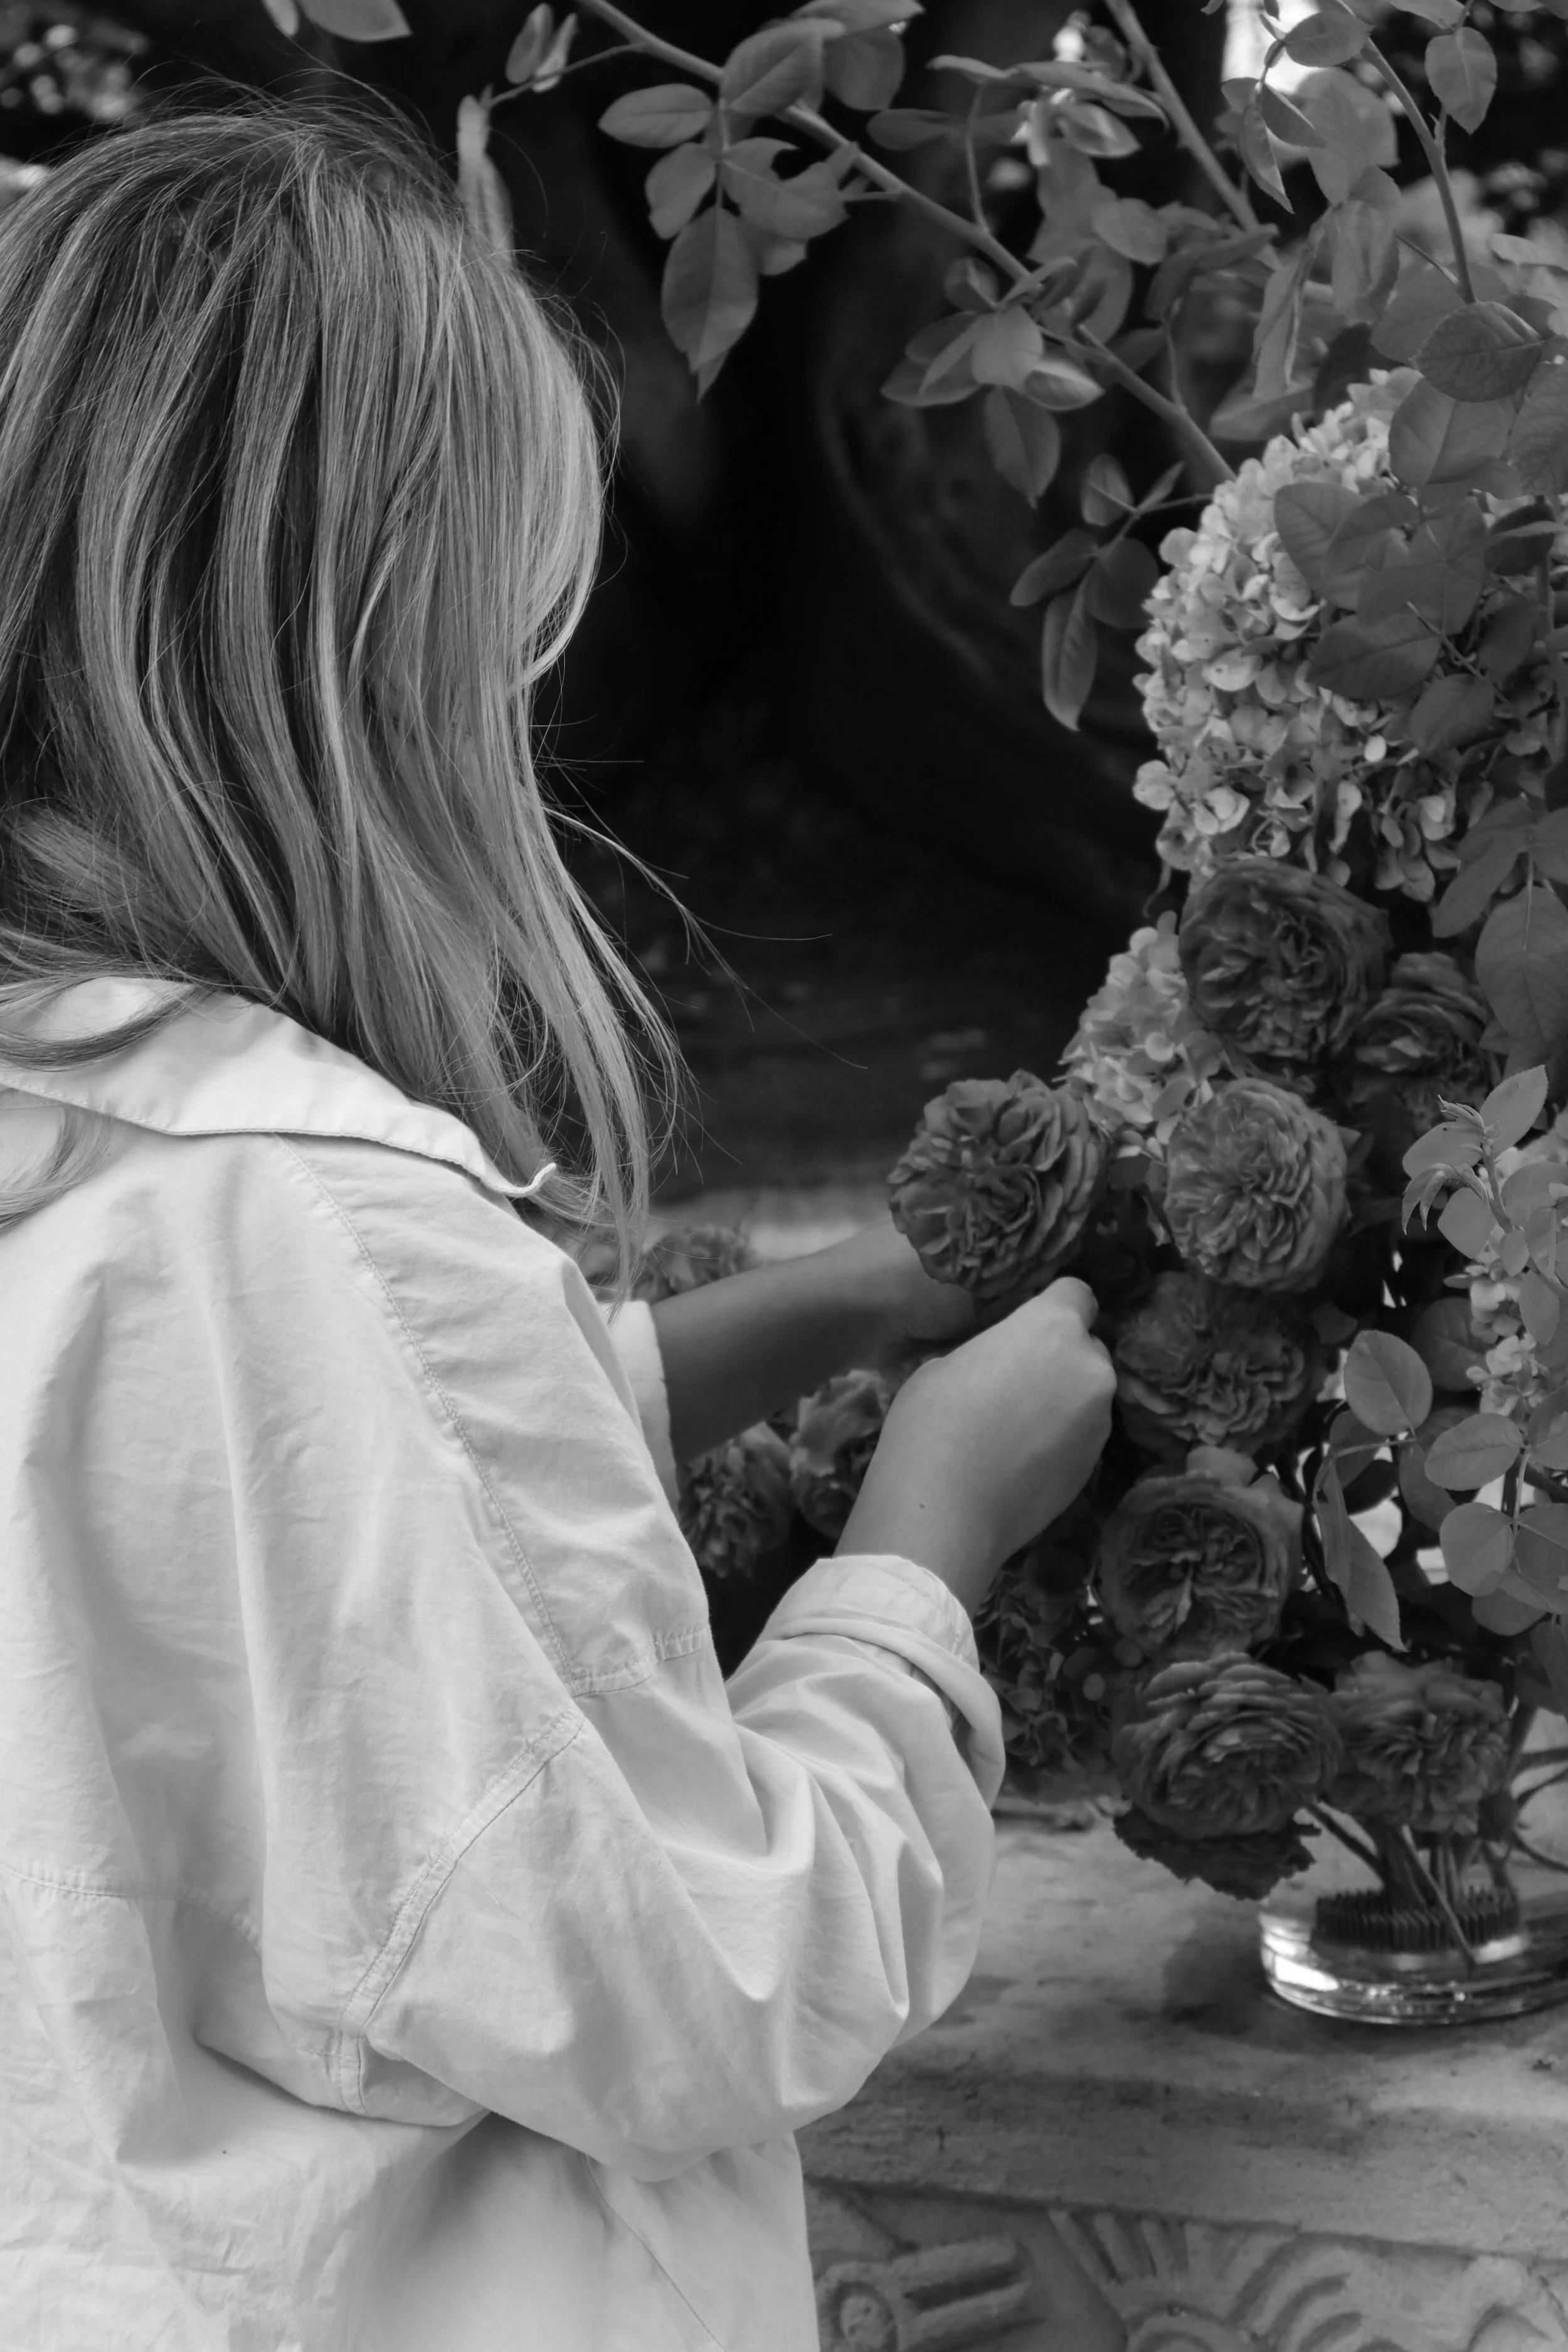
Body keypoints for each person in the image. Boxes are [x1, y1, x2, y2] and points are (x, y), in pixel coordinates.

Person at [0, 95, 1115, 2352]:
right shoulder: (314, 1223)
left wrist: (832, 1301)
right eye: (508, 646)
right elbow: (695, 1975)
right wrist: (920, 1551)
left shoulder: (103, 1148)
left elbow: (244, 1518)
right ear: (359, 654)